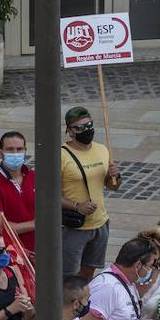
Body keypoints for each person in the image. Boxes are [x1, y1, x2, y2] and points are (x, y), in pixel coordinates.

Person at [61, 105, 122, 279]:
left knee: (88, 273)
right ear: (70, 131)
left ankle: (82, 304)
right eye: (80, 128)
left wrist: (115, 176)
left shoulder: (102, 149)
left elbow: (113, 186)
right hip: (74, 227)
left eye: (89, 126)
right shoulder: (61, 156)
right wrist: (76, 206)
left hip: (100, 223)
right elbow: (47, 194)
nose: (86, 131)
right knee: (68, 277)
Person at [0, 131, 36, 251]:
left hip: (42, 252)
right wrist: (33, 224)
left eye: (19, 149)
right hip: (12, 256)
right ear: (1, 153)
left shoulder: (35, 177)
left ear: (25, 150)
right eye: (10, 149)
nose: (15, 153)